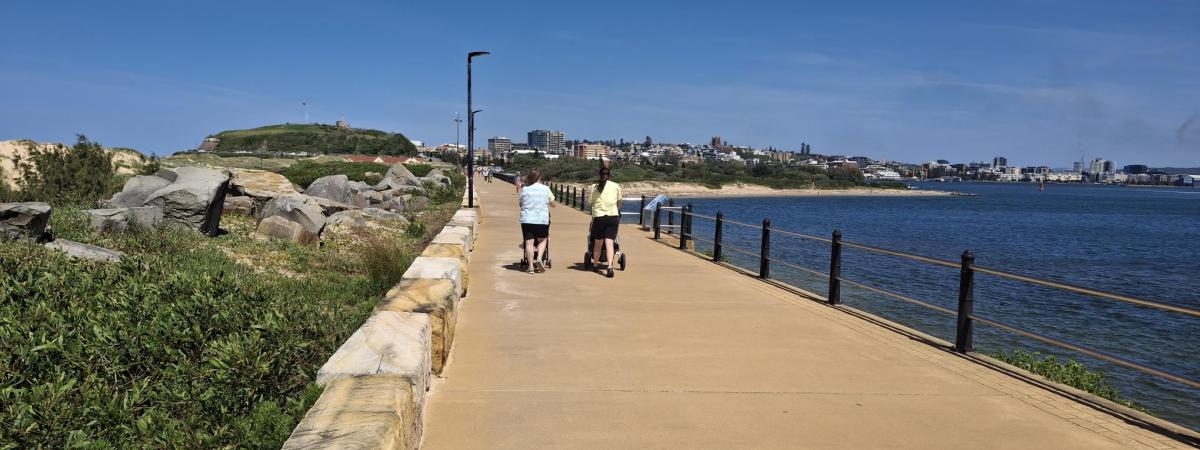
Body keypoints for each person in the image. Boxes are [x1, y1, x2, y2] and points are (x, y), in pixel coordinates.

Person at [519, 169, 555, 273]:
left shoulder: (524, 189)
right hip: (541, 219)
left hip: (527, 219)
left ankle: (530, 267)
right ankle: (539, 258)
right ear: (539, 178)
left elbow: (521, 204)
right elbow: (553, 204)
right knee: (543, 240)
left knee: (529, 242)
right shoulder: (545, 188)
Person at [588, 166, 622, 278]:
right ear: (609, 175)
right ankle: (610, 267)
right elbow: (619, 203)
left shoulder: (594, 187)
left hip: (599, 217)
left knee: (598, 243)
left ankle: (596, 264)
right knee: (609, 243)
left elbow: (591, 202)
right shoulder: (615, 186)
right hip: (613, 216)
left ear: (599, 175)